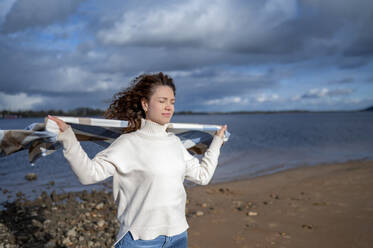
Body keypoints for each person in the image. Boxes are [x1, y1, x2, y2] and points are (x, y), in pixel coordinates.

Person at [48, 72, 227, 248]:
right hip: (140, 240)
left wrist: (217, 142)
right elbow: (89, 175)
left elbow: (202, 176)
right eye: (162, 101)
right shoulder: (128, 143)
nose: (168, 107)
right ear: (145, 104)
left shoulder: (175, 143)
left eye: (172, 102)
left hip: (178, 237)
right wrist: (68, 138)